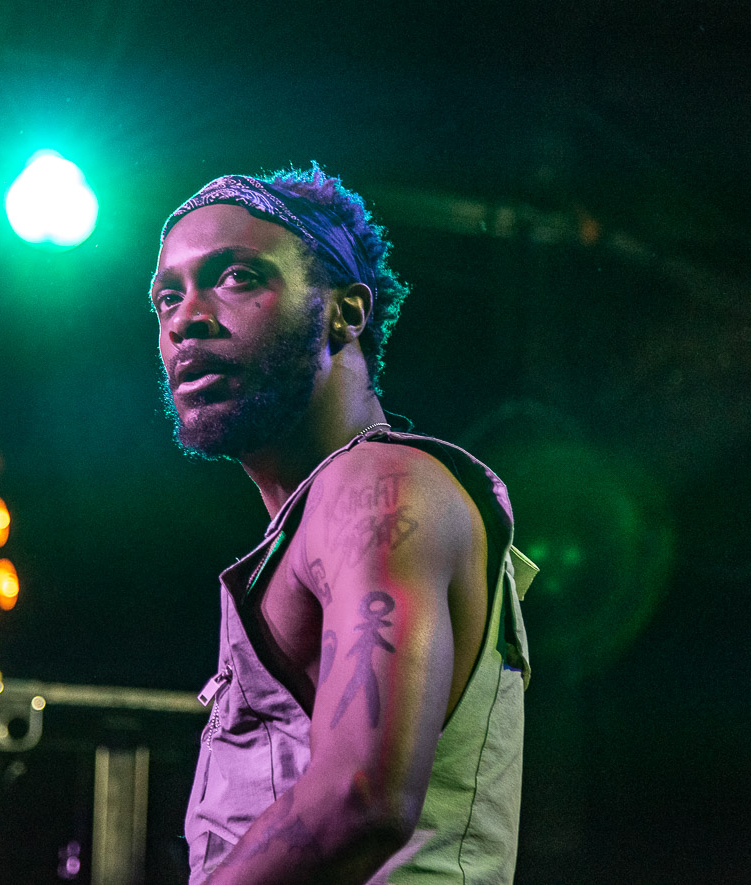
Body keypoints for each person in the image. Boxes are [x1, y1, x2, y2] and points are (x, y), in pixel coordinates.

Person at [151, 164, 535, 885]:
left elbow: (362, 798)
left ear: (345, 311)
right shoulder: (327, 513)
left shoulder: (377, 487)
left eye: (236, 277)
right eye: (168, 295)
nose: (186, 317)